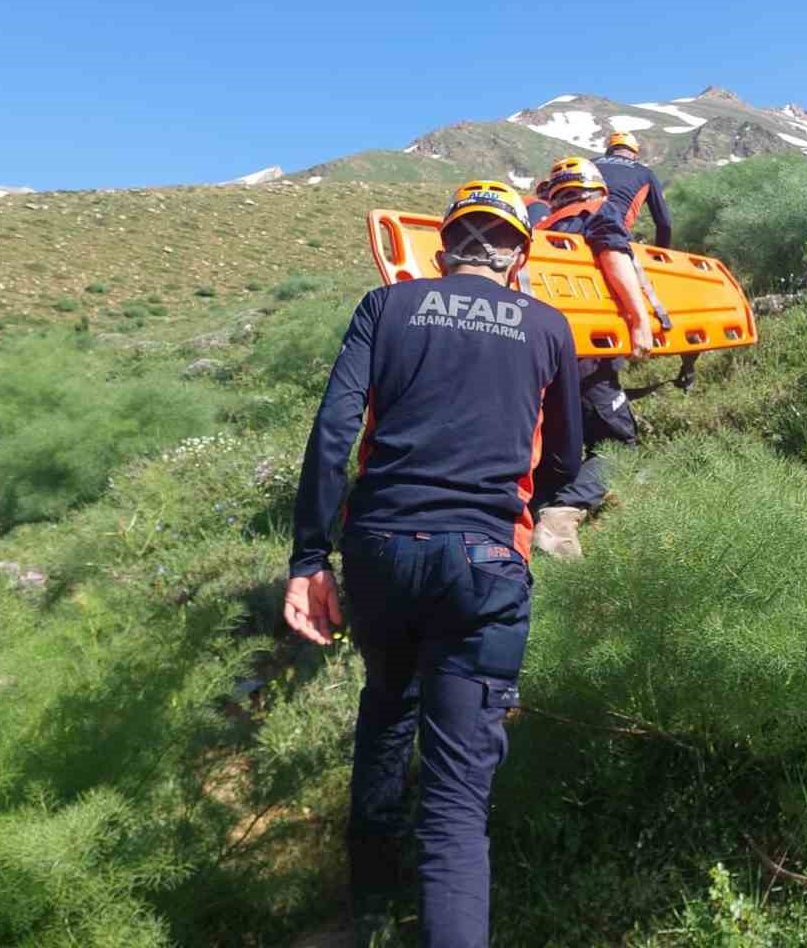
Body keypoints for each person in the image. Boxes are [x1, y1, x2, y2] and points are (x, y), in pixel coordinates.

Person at [285, 178, 583, 947]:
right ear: (519, 252)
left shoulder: (385, 308)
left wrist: (309, 558)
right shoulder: (550, 328)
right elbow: (568, 460)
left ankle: (372, 909)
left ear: (443, 247)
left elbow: (330, 436)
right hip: (486, 559)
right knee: (455, 809)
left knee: (387, 707)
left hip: (380, 550)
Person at [531, 157, 652, 556]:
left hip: (540, 354)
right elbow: (614, 256)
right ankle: (559, 518)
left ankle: (531, 519)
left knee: (558, 445)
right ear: (596, 189)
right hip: (588, 354)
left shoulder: (539, 232)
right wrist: (638, 321)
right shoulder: (600, 212)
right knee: (618, 445)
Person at [596, 131, 697, 391]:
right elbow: (664, 222)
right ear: (633, 152)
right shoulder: (644, 172)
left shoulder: (590, 162)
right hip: (611, 237)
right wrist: (661, 257)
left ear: (609, 150)